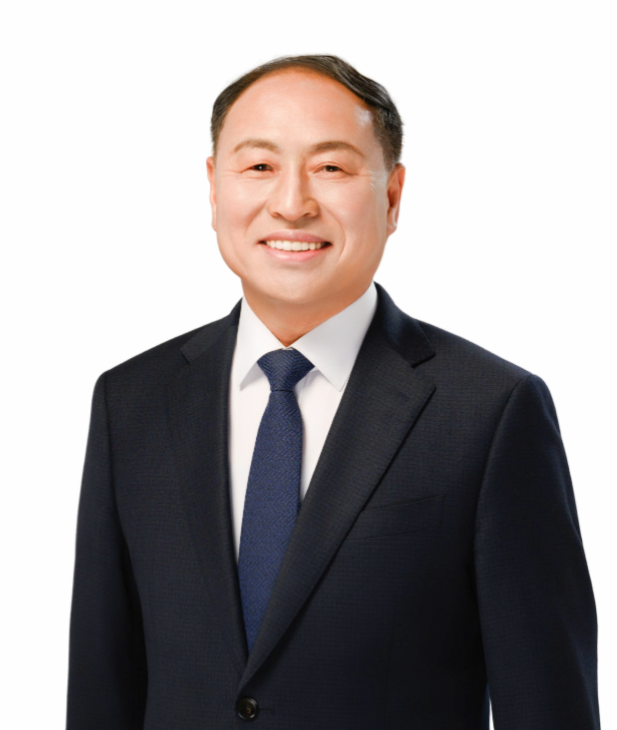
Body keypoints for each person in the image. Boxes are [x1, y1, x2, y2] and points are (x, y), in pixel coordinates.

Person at [65, 55, 601, 729]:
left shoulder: (489, 411)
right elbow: (102, 690)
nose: (291, 203)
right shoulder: (132, 403)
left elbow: (548, 705)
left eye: (331, 167)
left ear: (392, 196)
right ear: (213, 188)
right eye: (260, 166)